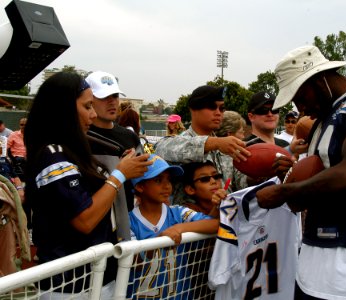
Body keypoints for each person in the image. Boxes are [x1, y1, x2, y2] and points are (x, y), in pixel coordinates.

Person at [256, 45, 346, 300]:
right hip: (315, 249)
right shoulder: (328, 114)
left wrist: (283, 191)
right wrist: (291, 175)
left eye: (300, 97)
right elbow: (320, 176)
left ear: (318, 80)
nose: (300, 108)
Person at [24, 72, 152, 298]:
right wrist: (119, 174)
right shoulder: (53, 155)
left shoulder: (72, 150)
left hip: (96, 274)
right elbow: (85, 220)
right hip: (69, 283)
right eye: (87, 106)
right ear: (63, 109)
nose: (93, 115)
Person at [128, 154, 219, 299]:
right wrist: (158, 243)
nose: (167, 186)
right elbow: (134, 264)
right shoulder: (128, 221)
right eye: (158, 180)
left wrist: (180, 228)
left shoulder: (178, 212)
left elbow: (214, 224)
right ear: (140, 186)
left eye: (169, 180)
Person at [155, 85, 250, 203]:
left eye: (221, 108)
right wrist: (215, 143)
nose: (218, 113)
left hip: (225, 217)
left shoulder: (226, 146)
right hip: (190, 219)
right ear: (193, 109)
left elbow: (241, 184)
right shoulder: (180, 142)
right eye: (212, 107)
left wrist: (256, 176)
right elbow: (161, 148)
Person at [86, 71, 141, 237]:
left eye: (115, 96)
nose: (112, 102)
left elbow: (142, 181)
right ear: (89, 99)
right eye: (104, 97)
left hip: (126, 222)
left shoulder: (130, 136)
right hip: (91, 225)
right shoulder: (80, 137)